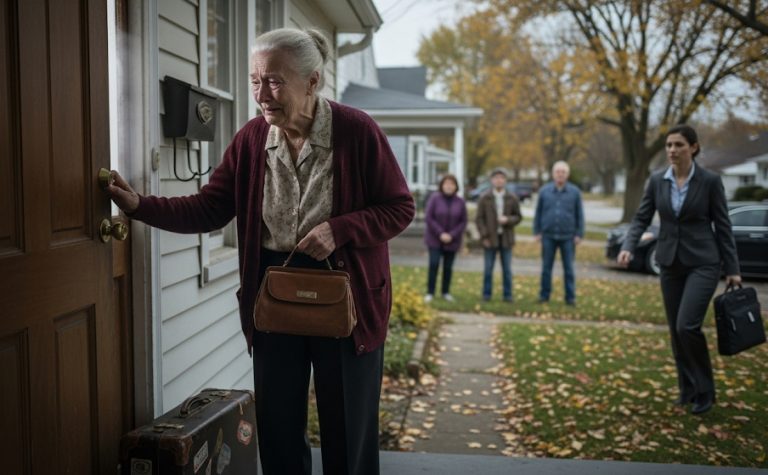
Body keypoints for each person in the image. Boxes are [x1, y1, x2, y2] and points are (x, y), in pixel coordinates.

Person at [105, 28, 414, 475]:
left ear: (312, 81)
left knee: (348, 432)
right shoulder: (253, 139)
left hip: (347, 296)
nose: (262, 94)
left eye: (274, 81)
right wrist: (140, 206)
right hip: (274, 292)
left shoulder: (357, 131)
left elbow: (399, 207)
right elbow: (211, 207)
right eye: (254, 81)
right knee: (279, 430)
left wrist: (341, 229)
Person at [618, 124, 740, 415]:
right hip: (670, 263)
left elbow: (723, 226)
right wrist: (628, 245)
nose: (672, 150)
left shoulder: (710, 181)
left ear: (693, 148)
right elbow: (641, 217)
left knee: (688, 325)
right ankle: (686, 389)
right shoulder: (658, 180)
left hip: (703, 263)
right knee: (676, 330)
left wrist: (732, 267)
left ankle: (705, 391)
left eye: (679, 145)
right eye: (669, 145)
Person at [533, 161, 584, 305]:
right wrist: (537, 231)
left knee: (568, 269)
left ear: (567, 174)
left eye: (563, 172)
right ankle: (544, 295)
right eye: (558, 172)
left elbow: (579, 214)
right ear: (553, 174)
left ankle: (570, 297)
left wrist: (579, 234)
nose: (560, 174)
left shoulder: (575, 192)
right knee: (546, 268)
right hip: (548, 236)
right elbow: (538, 212)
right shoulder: (544, 191)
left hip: (568, 237)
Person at [475, 168, 522, 302]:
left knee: (507, 269)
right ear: (492, 180)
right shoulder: (485, 197)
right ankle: (486, 294)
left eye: (502, 178)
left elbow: (518, 217)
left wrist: (508, 219)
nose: (499, 180)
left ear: (505, 181)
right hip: (490, 238)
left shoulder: (512, 198)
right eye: (496, 178)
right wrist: (484, 236)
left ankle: (507, 295)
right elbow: (479, 219)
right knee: (488, 269)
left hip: (506, 238)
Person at [423, 174, 468, 302]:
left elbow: (463, 221)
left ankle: (445, 292)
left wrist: (452, 235)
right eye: (446, 184)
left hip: (452, 241)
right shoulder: (434, 199)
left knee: (448, 267)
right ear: (442, 185)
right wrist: (440, 233)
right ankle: (430, 292)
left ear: (456, 186)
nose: (449, 186)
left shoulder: (460, 202)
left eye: (452, 184)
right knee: (434, 264)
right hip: (434, 239)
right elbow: (429, 218)